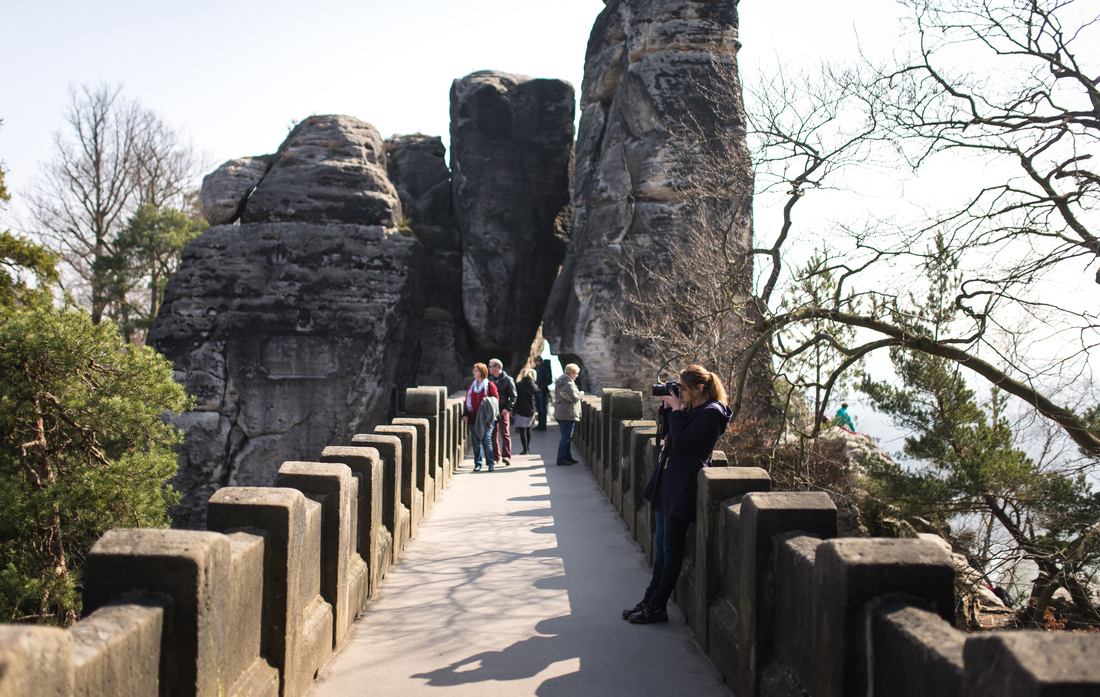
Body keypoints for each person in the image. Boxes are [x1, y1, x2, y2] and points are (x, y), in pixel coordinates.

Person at [625, 364, 732, 624]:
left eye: (683, 388)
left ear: (699, 388)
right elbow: (670, 439)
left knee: (671, 551)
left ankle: (658, 607)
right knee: (661, 549)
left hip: (684, 485)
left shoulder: (712, 413)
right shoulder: (693, 409)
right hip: (669, 480)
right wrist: (669, 412)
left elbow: (684, 445)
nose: (680, 392)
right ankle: (649, 600)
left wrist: (676, 412)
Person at [464, 363, 499, 472]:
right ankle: (478, 463)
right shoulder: (471, 385)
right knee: (476, 442)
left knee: (486, 440)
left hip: (486, 418)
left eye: (476, 370)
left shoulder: (490, 385)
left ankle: (490, 463)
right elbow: (467, 400)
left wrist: (487, 403)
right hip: (473, 417)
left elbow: (496, 400)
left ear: (481, 372)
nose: (474, 372)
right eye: (474, 370)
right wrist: (465, 414)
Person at [488, 358, 517, 466]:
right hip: (492, 411)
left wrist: (508, 409)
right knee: (493, 434)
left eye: (491, 366)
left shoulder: (508, 379)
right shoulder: (489, 380)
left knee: (505, 434)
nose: (489, 368)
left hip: (503, 410)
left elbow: (514, 396)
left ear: (497, 367)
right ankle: (496, 457)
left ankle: (507, 456)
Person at [554, 363, 583, 466]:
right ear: (571, 373)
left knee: (566, 437)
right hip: (567, 413)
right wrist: (581, 394)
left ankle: (567, 457)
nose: (577, 376)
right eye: (576, 373)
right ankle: (561, 459)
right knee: (566, 437)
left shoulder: (561, 382)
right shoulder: (568, 384)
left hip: (562, 412)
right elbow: (574, 398)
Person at [513, 368, 538, 455]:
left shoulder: (518, 385)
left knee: (522, 430)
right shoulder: (533, 385)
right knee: (528, 429)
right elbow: (536, 392)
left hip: (520, 409)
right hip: (531, 409)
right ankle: (528, 447)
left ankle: (524, 449)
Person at [535, 356, 553, 431]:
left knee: (542, 409)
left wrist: (541, 387)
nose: (537, 362)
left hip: (542, 391)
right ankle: (540, 425)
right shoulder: (537, 368)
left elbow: (549, 380)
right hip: (537, 390)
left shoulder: (545, 368)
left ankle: (543, 426)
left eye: (538, 361)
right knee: (539, 409)